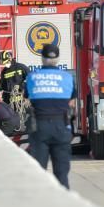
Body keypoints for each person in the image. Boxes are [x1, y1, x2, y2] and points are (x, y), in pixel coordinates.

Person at [26, 44, 75, 189]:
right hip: (61, 125)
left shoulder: (32, 77)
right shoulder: (67, 77)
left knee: (39, 173)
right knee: (62, 175)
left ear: (42, 58)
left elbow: (27, 98)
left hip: (39, 127)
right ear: (58, 59)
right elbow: (72, 102)